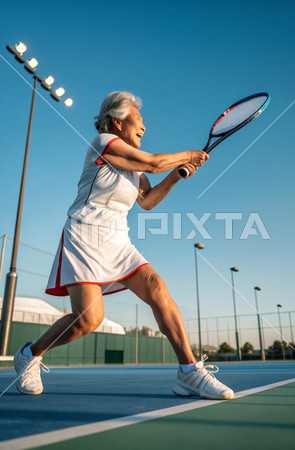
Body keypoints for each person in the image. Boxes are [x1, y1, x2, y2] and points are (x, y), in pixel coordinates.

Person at [14, 91, 234, 401]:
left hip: (118, 238)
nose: (144, 127)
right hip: (85, 234)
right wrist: (187, 155)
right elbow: (155, 162)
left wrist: (176, 175)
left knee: (156, 287)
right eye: (138, 119)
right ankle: (30, 354)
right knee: (89, 320)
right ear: (117, 121)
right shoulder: (103, 144)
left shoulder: (134, 166)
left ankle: (189, 372)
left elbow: (147, 201)